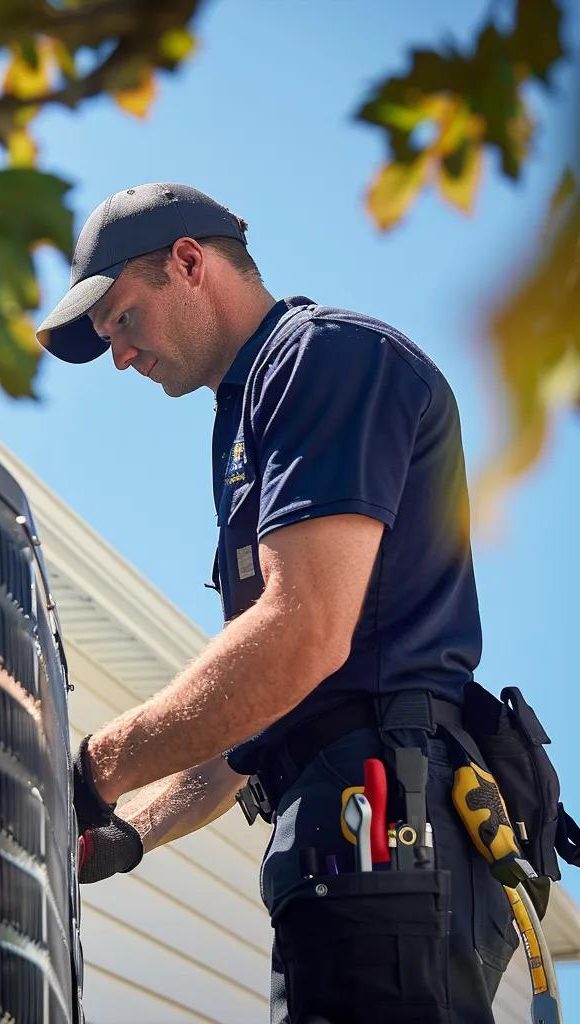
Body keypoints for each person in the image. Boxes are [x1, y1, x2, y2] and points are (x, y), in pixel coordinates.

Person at [38, 182, 518, 1023]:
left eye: (121, 320)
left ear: (187, 262)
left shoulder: (321, 358)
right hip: (339, 845)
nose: (118, 354)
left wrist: (87, 770)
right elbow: (262, 712)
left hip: (380, 833)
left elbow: (302, 637)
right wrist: (127, 831)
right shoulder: (252, 405)